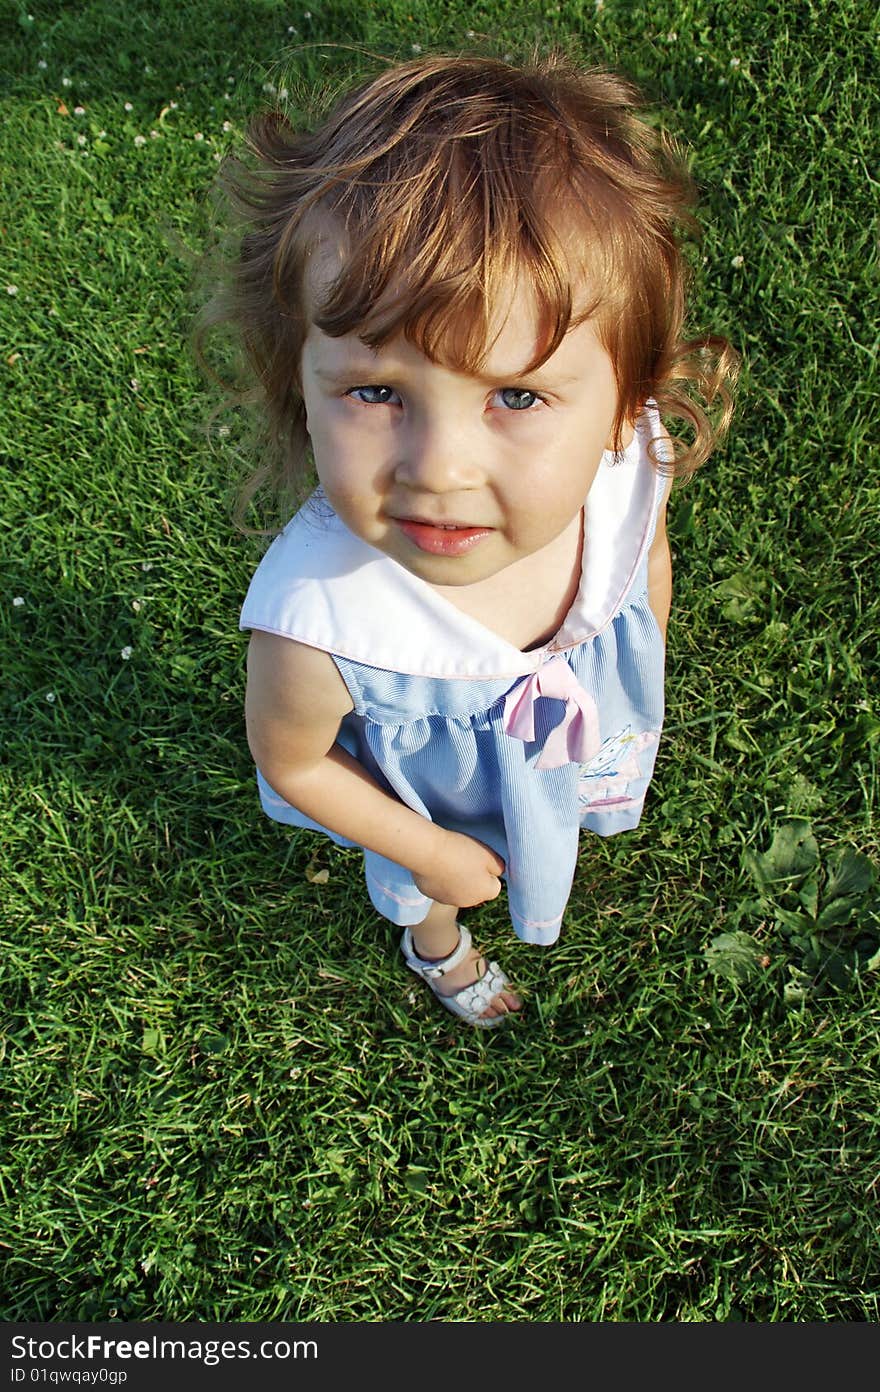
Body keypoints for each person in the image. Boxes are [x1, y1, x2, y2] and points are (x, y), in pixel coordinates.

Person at [212, 51, 738, 1028]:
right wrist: (428, 852)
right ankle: (435, 943)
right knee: (459, 880)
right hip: (436, 804)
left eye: (517, 395)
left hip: (559, 735)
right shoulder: (319, 623)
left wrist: (635, 663)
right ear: (301, 385)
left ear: (624, 404)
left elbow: (642, 569)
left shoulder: (624, 472)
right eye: (376, 392)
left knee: (547, 816)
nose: (440, 468)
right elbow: (292, 761)